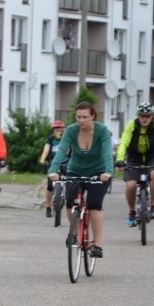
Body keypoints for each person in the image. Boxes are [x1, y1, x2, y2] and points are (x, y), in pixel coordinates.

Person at [48, 102, 114, 258]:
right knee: (70, 201)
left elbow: (107, 152)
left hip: (99, 172)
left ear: (93, 116)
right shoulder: (71, 130)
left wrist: (108, 172)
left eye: (85, 117)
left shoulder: (102, 130)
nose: (81, 120)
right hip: (75, 170)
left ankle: (97, 245)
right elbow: (62, 151)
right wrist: (53, 170)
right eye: (79, 117)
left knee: (95, 204)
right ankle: (76, 233)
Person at [115, 102, 154, 225]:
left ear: (151, 116)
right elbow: (124, 142)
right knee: (131, 185)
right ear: (138, 115)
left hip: (152, 157)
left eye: (147, 116)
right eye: (142, 116)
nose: (145, 119)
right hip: (134, 158)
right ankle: (132, 211)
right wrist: (120, 160)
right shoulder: (132, 125)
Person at [39, 120, 67, 218]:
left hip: (66, 163)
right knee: (50, 185)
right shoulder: (50, 140)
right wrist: (42, 159)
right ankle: (48, 206)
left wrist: (63, 140)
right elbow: (46, 150)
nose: (58, 131)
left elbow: (68, 151)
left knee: (71, 180)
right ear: (53, 131)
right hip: (53, 164)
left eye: (60, 129)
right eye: (56, 130)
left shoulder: (67, 139)